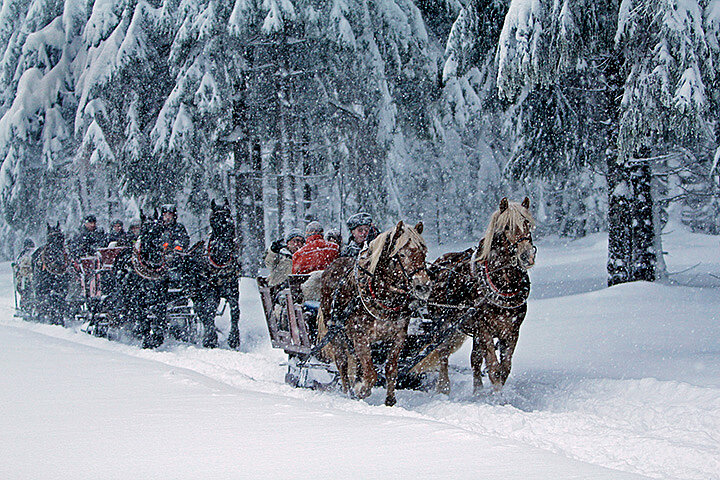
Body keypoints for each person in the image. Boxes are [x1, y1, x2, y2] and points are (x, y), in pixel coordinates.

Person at [14, 238, 36, 310]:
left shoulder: (23, 255)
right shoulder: (34, 253)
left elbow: (19, 265)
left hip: (27, 276)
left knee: (25, 290)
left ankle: (26, 304)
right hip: (29, 276)